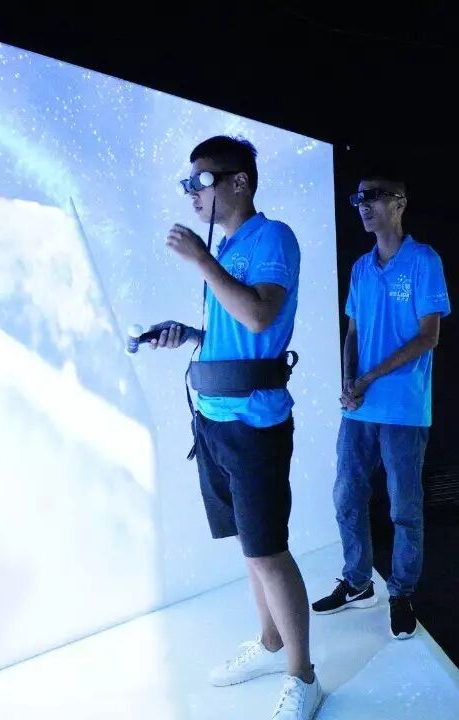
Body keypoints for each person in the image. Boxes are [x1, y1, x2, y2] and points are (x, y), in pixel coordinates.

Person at [149, 135, 322, 720]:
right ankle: (271, 643)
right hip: (214, 419)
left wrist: (202, 260)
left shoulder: (272, 238)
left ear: (239, 182)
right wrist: (191, 335)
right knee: (251, 548)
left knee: (269, 551)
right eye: (189, 183)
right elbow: (233, 329)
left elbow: (259, 314)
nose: (193, 194)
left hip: (254, 423)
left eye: (202, 181)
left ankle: (303, 675)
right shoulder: (226, 247)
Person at [311, 167, 451, 641]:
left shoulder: (423, 260)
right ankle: (357, 581)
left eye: (374, 196)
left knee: (404, 507)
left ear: (399, 202)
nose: (364, 205)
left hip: (404, 409)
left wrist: (368, 377)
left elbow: (428, 336)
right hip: (359, 407)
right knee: (346, 495)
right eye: (359, 198)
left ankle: (402, 592)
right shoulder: (360, 268)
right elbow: (352, 331)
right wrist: (349, 380)